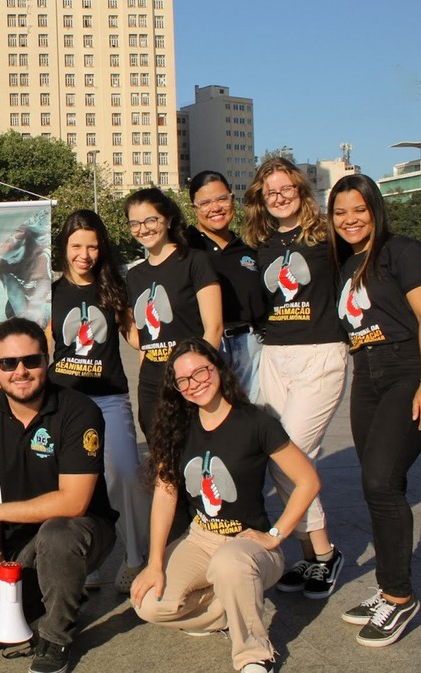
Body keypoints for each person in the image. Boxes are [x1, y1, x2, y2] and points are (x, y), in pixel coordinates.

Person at [130, 337, 320, 673]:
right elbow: (165, 494)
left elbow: (308, 481)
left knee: (231, 563)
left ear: (218, 368)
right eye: (183, 379)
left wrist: (275, 535)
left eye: (201, 371)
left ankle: (253, 654)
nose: (195, 384)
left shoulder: (256, 423)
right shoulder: (178, 427)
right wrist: (155, 562)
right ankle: (229, 610)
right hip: (201, 537)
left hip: (248, 543)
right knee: (147, 602)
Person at [0, 317, 118, 673]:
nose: (21, 371)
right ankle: (60, 591)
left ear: (46, 360)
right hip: (22, 537)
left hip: (81, 529)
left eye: (31, 360)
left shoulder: (79, 411)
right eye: (9, 363)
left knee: (57, 536)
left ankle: (56, 638)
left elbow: (74, 502)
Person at [327, 174, 421, 646]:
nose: (350, 220)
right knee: (378, 484)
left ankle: (399, 597)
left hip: (406, 370)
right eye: (340, 213)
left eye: (359, 210)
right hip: (367, 374)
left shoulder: (403, 251)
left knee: (381, 480)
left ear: (374, 209)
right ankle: (388, 589)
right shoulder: (345, 262)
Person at [243, 158, 347, 599]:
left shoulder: (327, 238)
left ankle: (324, 554)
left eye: (286, 188)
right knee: (278, 457)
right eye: (271, 191)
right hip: (275, 355)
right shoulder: (260, 244)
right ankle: (311, 554)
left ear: (302, 191)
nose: (279, 196)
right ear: (261, 200)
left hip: (320, 354)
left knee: (293, 457)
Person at [49, 209, 148, 593]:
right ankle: (85, 559)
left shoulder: (114, 287)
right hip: (65, 404)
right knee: (75, 485)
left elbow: (137, 336)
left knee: (124, 474)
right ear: (64, 247)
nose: (84, 254)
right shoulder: (50, 293)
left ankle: (136, 558)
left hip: (109, 398)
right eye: (76, 245)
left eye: (92, 246)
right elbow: (43, 347)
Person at [124, 187, 222, 438]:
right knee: (161, 458)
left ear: (167, 219)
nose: (143, 229)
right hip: (152, 383)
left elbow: (214, 328)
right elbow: (141, 340)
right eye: (134, 223)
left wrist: (199, 375)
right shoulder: (134, 276)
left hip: (191, 378)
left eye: (150, 220)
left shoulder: (194, 262)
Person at [186, 171, 269, 399]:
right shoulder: (185, 248)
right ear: (194, 208)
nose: (216, 208)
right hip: (208, 346)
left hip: (251, 347)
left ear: (233, 200)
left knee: (254, 419)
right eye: (205, 202)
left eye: (222, 199)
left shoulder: (249, 247)